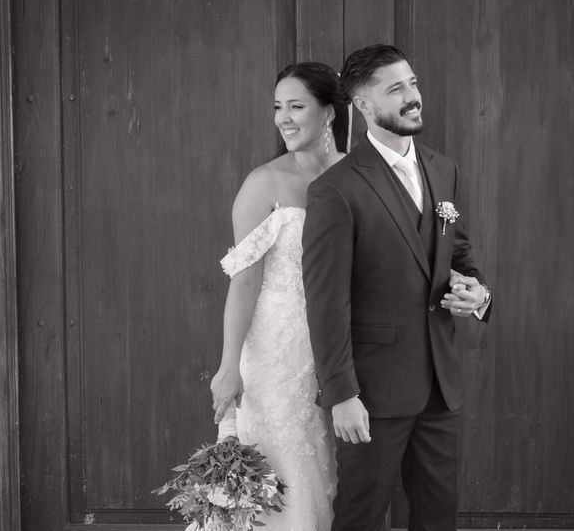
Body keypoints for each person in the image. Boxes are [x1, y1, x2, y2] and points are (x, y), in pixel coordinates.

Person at [302, 44, 492, 531]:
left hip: (440, 386)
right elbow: (326, 303)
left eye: (413, 83)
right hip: (372, 392)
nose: (413, 96)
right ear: (364, 105)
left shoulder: (442, 167)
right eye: (395, 89)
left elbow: (459, 254)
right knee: (362, 516)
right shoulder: (335, 190)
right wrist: (342, 394)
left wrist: (478, 294)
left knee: (437, 516)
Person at [210, 62, 349, 530]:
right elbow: (244, 281)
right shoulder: (262, 183)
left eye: (296, 106)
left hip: (340, 352)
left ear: (329, 112)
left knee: (328, 475)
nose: (283, 117)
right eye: (277, 107)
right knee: (282, 471)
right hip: (274, 357)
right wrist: (230, 367)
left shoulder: (359, 175)